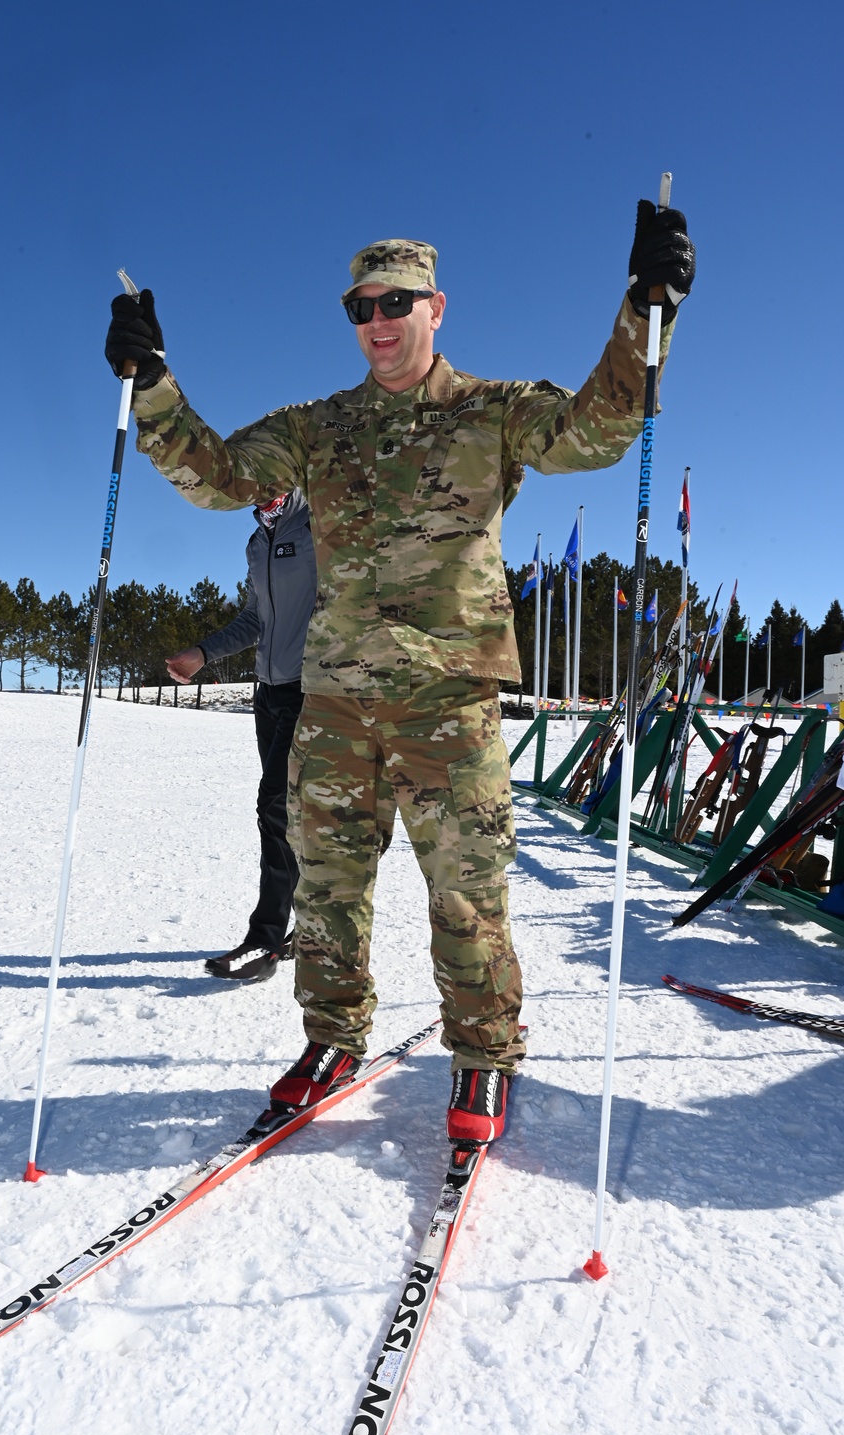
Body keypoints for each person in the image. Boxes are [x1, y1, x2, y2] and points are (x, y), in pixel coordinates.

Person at [105, 203, 695, 1144]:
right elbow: (218, 477)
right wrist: (154, 385)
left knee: (466, 888)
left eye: (396, 302)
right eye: (361, 306)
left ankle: (484, 1052)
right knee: (327, 886)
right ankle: (332, 1037)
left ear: (435, 306)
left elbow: (596, 431)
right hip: (337, 699)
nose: (378, 320)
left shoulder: (493, 409)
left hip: (447, 701)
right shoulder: (318, 426)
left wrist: (645, 308)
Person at [165, 487, 316, 982]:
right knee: (288, 815)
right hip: (268, 692)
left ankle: (268, 936)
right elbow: (256, 617)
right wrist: (203, 652)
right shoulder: (258, 541)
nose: (261, 490)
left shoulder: (317, 525)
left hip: (310, 689)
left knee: (277, 805)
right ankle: (303, 926)